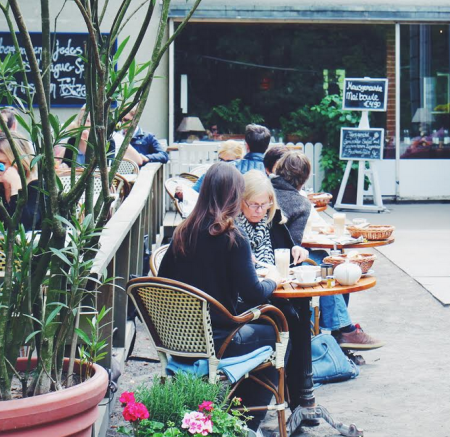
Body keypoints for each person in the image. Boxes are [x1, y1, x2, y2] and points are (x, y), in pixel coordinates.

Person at [157, 164, 282, 434]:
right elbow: (254, 294)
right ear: (235, 196)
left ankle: (234, 415)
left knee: (266, 328)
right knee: (277, 332)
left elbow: (164, 283)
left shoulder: (182, 232)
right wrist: (275, 279)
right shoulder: (232, 238)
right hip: (218, 340)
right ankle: (245, 424)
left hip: (177, 338)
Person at [274, 152, 383, 351]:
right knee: (329, 265)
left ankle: (341, 329)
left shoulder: (269, 189)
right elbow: (295, 243)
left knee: (328, 261)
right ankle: (343, 330)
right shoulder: (299, 201)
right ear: (305, 177)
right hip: (284, 262)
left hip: (267, 255)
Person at [237, 170, 317, 417]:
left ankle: (302, 395)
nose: (259, 210)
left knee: (300, 309)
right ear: (241, 201)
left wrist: (298, 251)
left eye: (265, 204)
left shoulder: (272, 221)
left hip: (271, 290)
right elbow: (243, 282)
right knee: (293, 318)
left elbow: (286, 253)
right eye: (254, 205)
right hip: (245, 300)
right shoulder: (234, 228)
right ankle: (297, 395)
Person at [0, 133, 46, 232]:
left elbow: (22, 228)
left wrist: (16, 188)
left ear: (19, 163)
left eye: (0, 164)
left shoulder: (38, 188)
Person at [194, 124, 270, 192]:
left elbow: (194, 191)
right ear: (267, 146)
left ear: (246, 145)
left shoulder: (223, 168)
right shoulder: (273, 171)